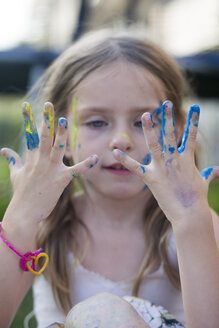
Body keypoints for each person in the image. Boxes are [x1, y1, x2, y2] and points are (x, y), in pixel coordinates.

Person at [0, 28, 219, 328]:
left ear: (178, 130)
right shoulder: (46, 228)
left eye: (143, 123)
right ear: (58, 132)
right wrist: (22, 217)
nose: (121, 140)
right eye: (97, 122)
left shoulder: (200, 226)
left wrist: (191, 222)